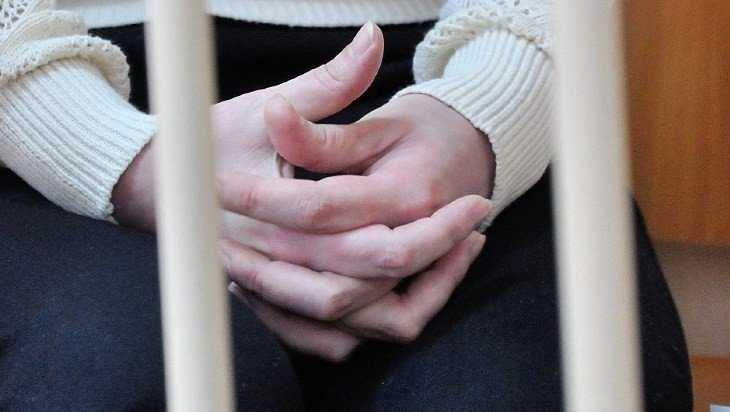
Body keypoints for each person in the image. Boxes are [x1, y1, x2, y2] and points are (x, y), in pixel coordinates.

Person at [0, 0, 692, 410]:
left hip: (450, 92)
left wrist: (484, 113)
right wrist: (113, 153)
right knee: (125, 379)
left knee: (532, 389)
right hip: (45, 114)